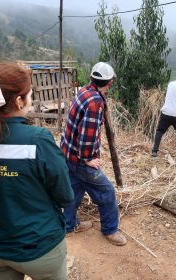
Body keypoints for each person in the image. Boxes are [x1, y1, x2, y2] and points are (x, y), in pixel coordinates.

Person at [0, 61, 74, 280]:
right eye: (29, 95)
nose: (30, 99)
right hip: (39, 248)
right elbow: (65, 196)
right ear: (19, 101)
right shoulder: (37, 141)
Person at [61, 62, 127, 246]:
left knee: (73, 190)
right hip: (80, 158)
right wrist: (88, 159)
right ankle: (110, 230)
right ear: (110, 83)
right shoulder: (95, 102)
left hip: (68, 154)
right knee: (106, 191)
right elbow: (87, 136)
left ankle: (68, 225)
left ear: (91, 78)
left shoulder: (83, 91)